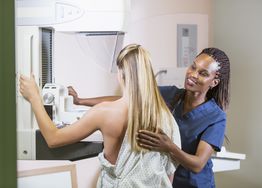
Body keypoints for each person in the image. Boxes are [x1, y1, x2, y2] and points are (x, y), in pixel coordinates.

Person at [20, 44, 181, 188]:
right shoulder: (166, 117)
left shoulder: (104, 113)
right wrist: (81, 101)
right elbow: (169, 173)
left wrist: (34, 97)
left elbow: (53, 139)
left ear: (120, 73)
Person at [68, 47, 230, 188]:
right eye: (193, 67)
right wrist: (81, 101)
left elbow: (198, 164)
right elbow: (126, 100)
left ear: (214, 82)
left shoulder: (216, 116)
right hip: (166, 180)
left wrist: (169, 146)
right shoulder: (171, 94)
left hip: (194, 184)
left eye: (202, 73)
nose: (193, 74)